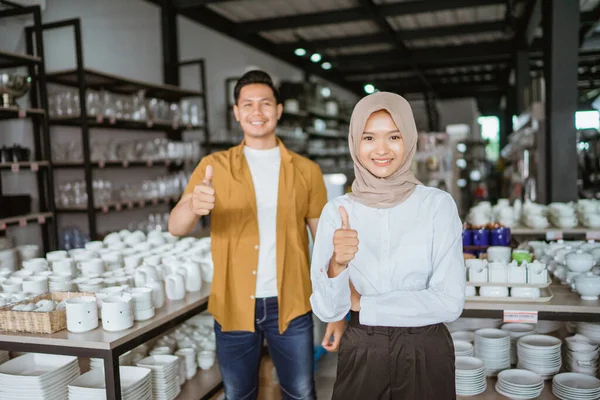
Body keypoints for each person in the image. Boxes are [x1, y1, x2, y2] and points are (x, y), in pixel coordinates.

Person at [169, 70, 345, 400]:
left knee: (301, 393)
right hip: (233, 302)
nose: (257, 111)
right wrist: (193, 204)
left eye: (265, 103)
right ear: (236, 112)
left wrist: (337, 309)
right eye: (247, 104)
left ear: (278, 110)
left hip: (291, 304)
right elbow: (176, 227)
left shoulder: (306, 170)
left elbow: (325, 244)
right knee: (238, 395)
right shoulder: (214, 167)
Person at [310, 92, 465, 399]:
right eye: (369, 137)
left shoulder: (437, 205)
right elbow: (329, 309)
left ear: (409, 139)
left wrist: (364, 305)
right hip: (362, 351)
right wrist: (336, 266)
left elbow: (449, 302)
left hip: (426, 350)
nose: (381, 149)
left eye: (393, 136)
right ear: (356, 142)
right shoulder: (338, 211)